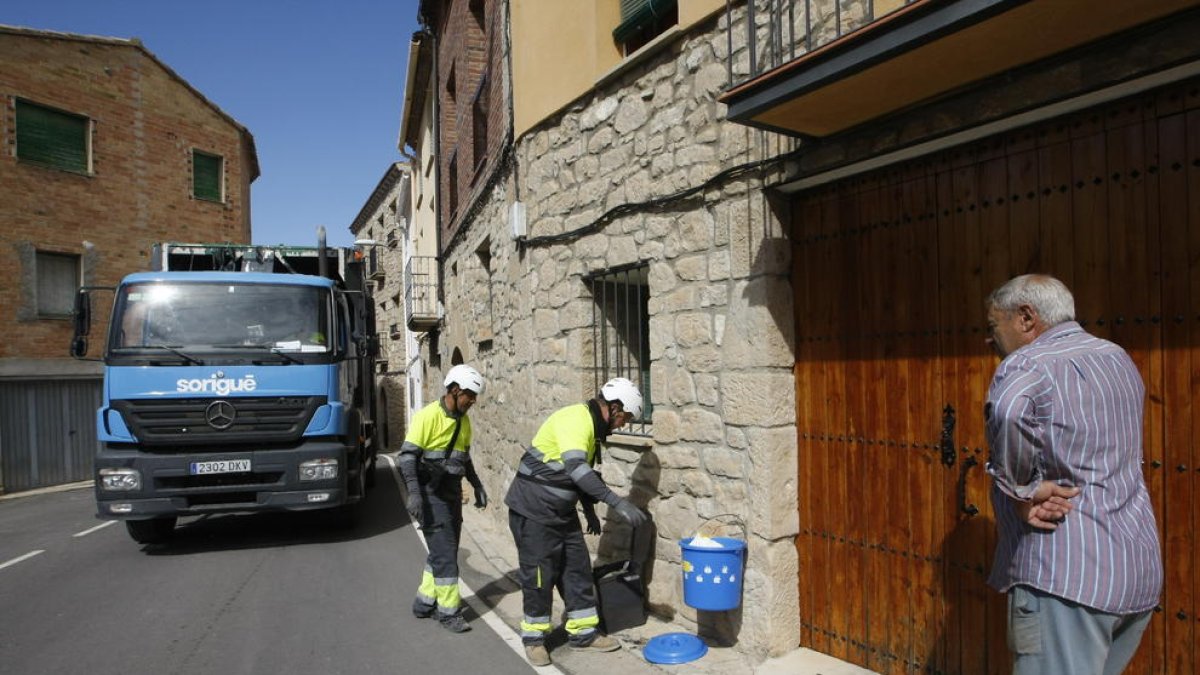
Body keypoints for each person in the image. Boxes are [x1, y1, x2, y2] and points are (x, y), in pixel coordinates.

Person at [983, 274, 1162, 675]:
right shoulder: (1116, 356)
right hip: (1134, 570)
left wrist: (1020, 490)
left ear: (1026, 317)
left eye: (995, 326)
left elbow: (1009, 412)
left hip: (1065, 577)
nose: (990, 339)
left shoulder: (1026, 362)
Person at [504, 377, 649, 667]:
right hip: (533, 510)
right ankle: (534, 639)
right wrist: (616, 503)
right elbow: (576, 469)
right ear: (616, 407)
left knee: (577, 568)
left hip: (561, 512)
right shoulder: (576, 419)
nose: (623, 424)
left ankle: (583, 633)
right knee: (539, 576)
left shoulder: (593, 431)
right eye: (626, 418)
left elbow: (580, 478)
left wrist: (590, 511)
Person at [397, 364, 489, 633]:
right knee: (447, 555)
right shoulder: (428, 417)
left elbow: (464, 456)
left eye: (474, 396)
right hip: (430, 495)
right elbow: (407, 457)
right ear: (455, 390)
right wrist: (414, 494)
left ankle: (424, 603)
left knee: (442, 551)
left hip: (451, 496)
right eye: (470, 395)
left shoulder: (464, 421)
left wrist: (477, 483)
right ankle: (448, 613)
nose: (473, 401)